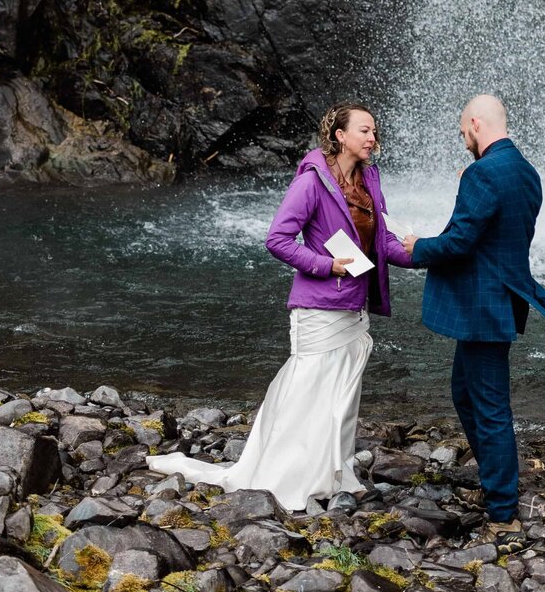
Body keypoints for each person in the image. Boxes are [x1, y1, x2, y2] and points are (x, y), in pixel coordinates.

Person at [147, 102, 411, 510]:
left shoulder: (370, 178)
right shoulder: (311, 181)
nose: (373, 139)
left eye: (374, 131)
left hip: (354, 306)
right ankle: (289, 475)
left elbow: (383, 241)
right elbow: (278, 239)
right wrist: (327, 265)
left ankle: (333, 469)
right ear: (340, 135)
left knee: (341, 391)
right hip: (319, 305)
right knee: (308, 387)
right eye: (364, 131)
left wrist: (429, 252)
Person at [405, 95, 545, 531]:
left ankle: (502, 510)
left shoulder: (483, 173)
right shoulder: (525, 171)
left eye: (463, 133)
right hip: (501, 300)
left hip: (482, 305)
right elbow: (501, 227)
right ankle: (498, 480)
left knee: (490, 406)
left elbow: (458, 242)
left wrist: (415, 247)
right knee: (465, 391)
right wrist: (471, 181)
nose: (464, 141)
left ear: (475, 124)